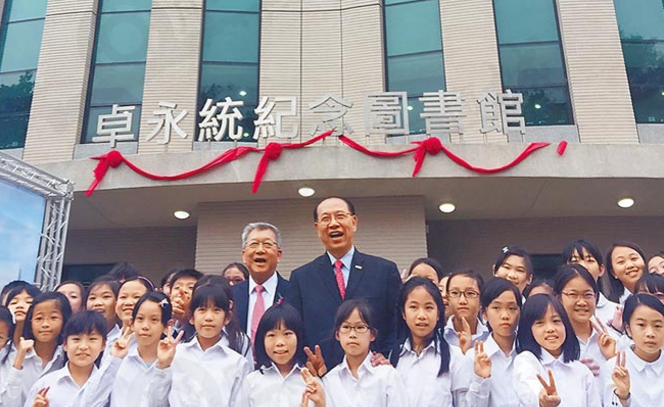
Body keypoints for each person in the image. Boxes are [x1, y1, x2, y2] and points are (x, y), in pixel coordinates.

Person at [288, 197, 402, 367]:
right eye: (326, 218)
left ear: (354, 222)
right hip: (322, 374)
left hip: (373, 371)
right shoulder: (301, 278)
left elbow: (397, 323)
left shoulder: (384, 271)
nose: (333, 224)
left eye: (340, 216)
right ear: (317, 228)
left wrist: (387, 355)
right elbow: (294, 329)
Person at [148, 284, 251, 407]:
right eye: (202, 310)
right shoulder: (175, 354)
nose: (209, 318)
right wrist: (163, 365)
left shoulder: (237, 363)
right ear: (191, 317)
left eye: (216, 310)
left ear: (227, 318)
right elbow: (155, 403)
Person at [389, 277, 470, 407]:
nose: (422, 315)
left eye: (428, 307)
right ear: (403, 313)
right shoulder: (394, 357)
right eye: (413, 307)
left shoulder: (454, 357)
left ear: (438, 314)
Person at [24, 311, 131, 407]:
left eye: (92, 339)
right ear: (65, 344)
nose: (83, 346)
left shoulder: (112, 385)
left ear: (103, 345)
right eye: (76, 339)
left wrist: (115, 358)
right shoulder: (45, 385)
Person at [513, 294, 600, 407]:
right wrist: (542, 399)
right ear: (528, 329)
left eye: (556, 321)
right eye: (540, 323)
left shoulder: (581, 371)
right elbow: (527, 385)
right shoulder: (526, 361)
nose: (550, 329)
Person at [322, 299, 407, 407]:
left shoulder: (387, 376)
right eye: (346, 327)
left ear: (372, 335)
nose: (352, 334)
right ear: (337, 334)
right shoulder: (330, 380)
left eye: (360, 327)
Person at [239, 303, 325, 407]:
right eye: (271, 335)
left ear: (299, 337)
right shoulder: (251, 382)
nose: (280, 342)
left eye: (287, 334)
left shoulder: (312, 382)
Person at [7, 292, 73, 405]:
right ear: (30, 322)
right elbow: (8, 403)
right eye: (39, 318)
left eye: (53, 317)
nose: (45, 324)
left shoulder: (68, 358)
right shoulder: (13, 356)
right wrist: (18, 363)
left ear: (65, 320)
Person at [553, 264, 616, 381]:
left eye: (588, 295)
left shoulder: (612, 340)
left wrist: (612, 358)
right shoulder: (552, 342)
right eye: (573, 294)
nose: (581, 302)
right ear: (558, 298)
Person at [466, 277, 522, 407]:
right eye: (496, 308)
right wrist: (480, 378)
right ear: (484, 313)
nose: (505, 315)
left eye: (512, 308)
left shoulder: (529, 352)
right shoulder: (473, 357)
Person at [603, 293, 664, 407]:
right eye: (641, 325)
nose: (650, 333)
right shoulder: (614, 368)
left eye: (657, 326)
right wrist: (623, 395)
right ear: (628, 329)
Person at [111, 292, 171, 407]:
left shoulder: (173, 362)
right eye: (140, 319)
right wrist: (114, 360)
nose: (145, 326)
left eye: (154, 320)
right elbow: (94, 399)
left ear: (166, 326)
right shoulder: (119, 357)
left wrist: (163, 367)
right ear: (132, 323)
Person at [232, 223, 290, 341]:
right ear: (244, 255)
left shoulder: (293, 292)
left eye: (267, 244)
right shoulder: (230, 294)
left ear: (278, 255)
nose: (260, 250)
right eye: (254, 244)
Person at [563, 239, 618, 325]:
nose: (583, 266)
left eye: (589, 260)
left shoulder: (617, 311)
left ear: (601, 270)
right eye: (575, 261)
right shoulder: (556, 310)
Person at [444, 269, 489, 354]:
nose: (462, 301)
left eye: (470, 293)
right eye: (455, 293)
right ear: (447, 298)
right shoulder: (439, 336)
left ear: (481, 299)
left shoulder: (490, 336)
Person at [168, 269, 204, 340]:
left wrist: (188, 318)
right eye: (177, 287)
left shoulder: (205, 319)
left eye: (191, 287)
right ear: (170, 295)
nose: (183, 290)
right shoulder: (162, 316)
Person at [86, 276, 121, 346]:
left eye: (106, 297)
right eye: (92, 298)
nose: (97, 303)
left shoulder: (123, 339)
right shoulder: (75, 336)